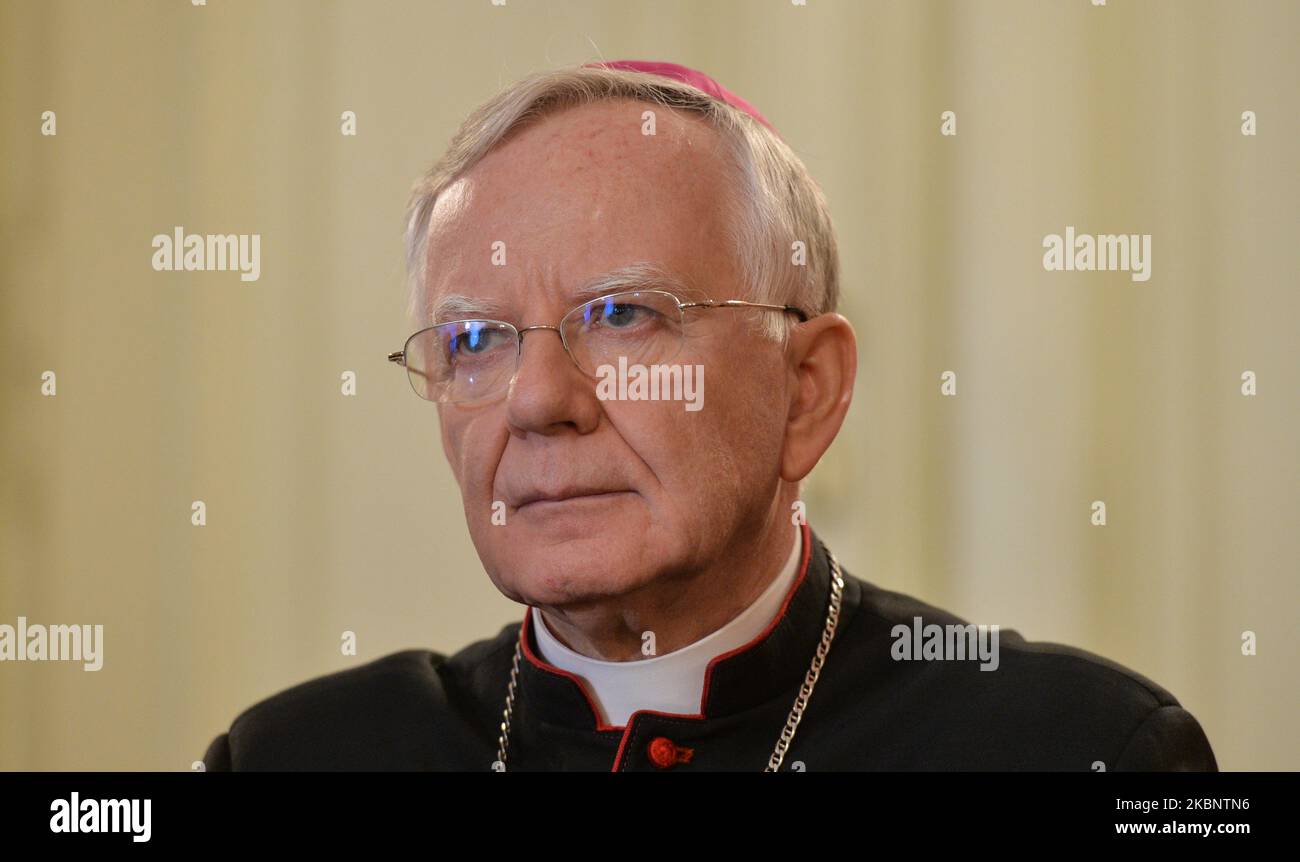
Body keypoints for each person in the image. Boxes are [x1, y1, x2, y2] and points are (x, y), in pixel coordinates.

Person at [201, 60, 1216, 771]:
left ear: (805, 391)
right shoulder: (293, 757)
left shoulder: (1075, 749)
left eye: (621, 316)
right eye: (474, 339)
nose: (542, 402)